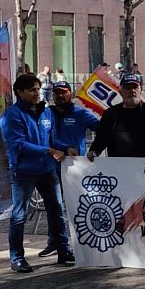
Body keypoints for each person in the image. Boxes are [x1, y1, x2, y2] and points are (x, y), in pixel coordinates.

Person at [0, 73, 74, 272]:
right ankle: (17, 258)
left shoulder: (46, 112)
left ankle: (63, 250)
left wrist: (66, 148)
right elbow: (18, 145)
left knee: (57, 210)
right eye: (32, 90)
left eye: (38, 89)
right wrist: (50, 151)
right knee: (19, 215)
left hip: (47, 170)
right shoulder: (11, 116)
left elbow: (52, 140)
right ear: (19, 92)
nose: (37, 93)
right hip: (23, 172)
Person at [37, 81, 100, 258]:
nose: (59, 96)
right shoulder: (46, 112)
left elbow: (103, 130)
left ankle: (76, 244)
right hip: (49, 166)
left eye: (63, 92)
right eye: (56, 93)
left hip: (74, 169)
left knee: (72, 207)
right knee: (54, 207)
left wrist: (95, 148)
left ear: (70, 94)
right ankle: (54, 242)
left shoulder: (81, 113)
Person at [87, 74, 145, 161]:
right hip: (117, 170)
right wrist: (94, 151)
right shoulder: (110, 114)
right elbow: (101, 138)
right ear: (120, 91)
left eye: (135, 87)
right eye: (128, 88)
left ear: (141, 90)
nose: (132, 91)